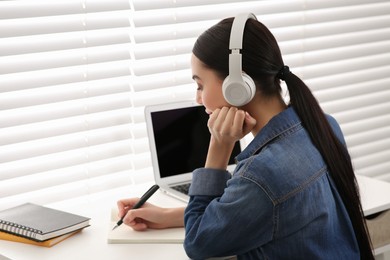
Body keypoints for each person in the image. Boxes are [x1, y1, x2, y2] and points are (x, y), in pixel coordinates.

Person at [117, 14, 374, 259]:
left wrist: (219, 146)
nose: (198, 98)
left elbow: (198, 242)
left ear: (237, 86)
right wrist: (169, 215)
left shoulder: (263, 174)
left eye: (200, 84)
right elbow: (268, 210)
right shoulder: (323, 126)